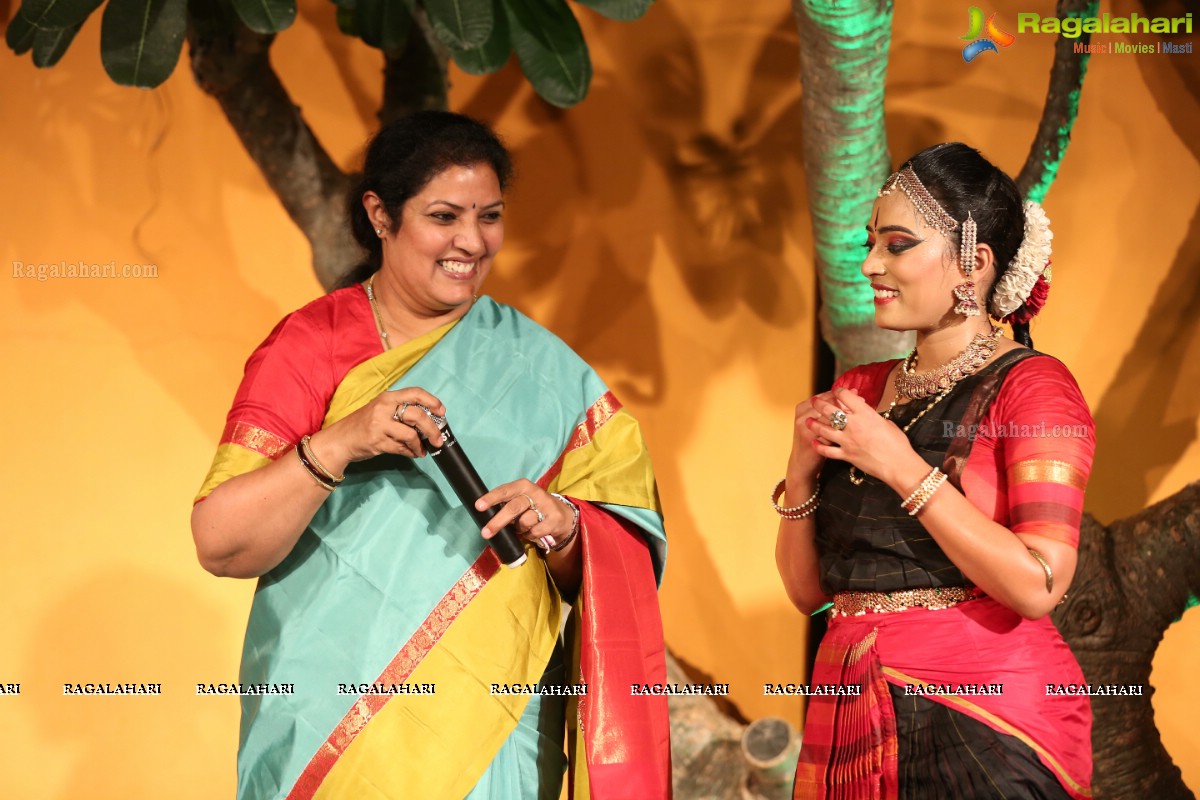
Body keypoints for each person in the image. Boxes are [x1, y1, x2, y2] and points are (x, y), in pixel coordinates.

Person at [192, 111, 671, 800]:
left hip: (489, 727)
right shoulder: (311, 346)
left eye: (490, 217)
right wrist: (342, 441)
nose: (471, 242)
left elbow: (621, 564)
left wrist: (564, 525)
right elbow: (221, 543)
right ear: (380, 215)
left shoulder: (547, 374)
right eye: (444, 216)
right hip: (328, 717)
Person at [776, 143, 1094, 799]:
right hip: (851, 703)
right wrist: (801, 478)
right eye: (871, 244)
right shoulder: (861, 389)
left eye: (896, 245)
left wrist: (898, 465)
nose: (869, 265)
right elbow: (810, 594)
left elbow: (1038, 584)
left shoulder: (1033, 388)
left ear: (973, 265)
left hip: (985, 721)